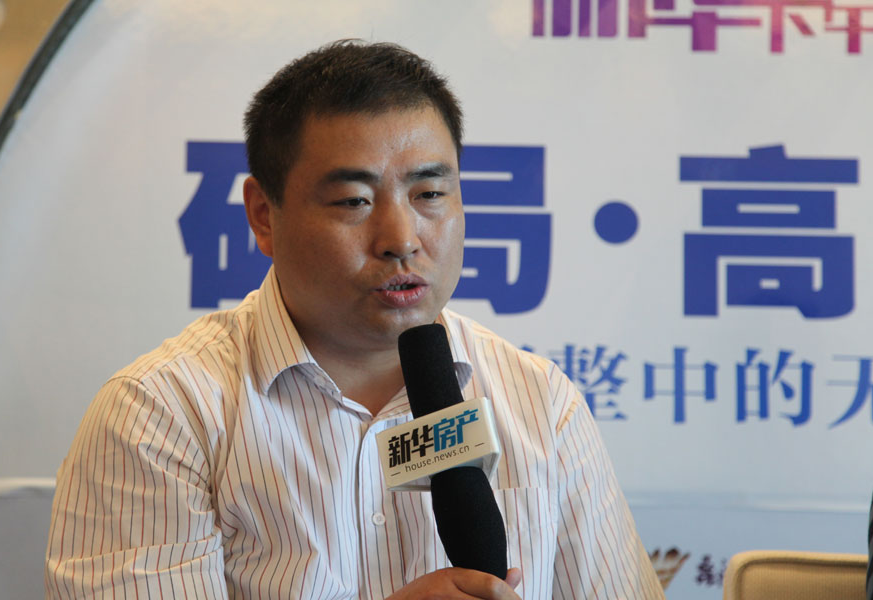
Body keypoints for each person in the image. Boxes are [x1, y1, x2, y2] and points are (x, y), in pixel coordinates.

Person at [45, 40, 664, 600]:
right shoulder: (162, 413)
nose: (401, 238)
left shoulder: (540, 402)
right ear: (263, 215)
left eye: (429, 194)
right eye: (353, 201)